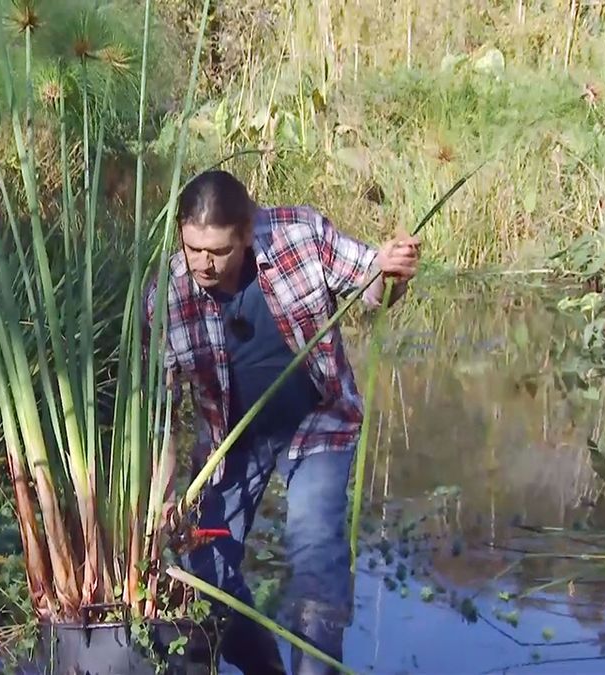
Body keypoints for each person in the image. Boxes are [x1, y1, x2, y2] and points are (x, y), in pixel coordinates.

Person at [145, 170, 420, 674]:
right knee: (205, 573)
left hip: (318, 424)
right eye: (192, 249)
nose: (204, 264)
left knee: (316, 563)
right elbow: (163, 412)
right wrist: (164, 493)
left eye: (219, 252)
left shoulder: (299, 234)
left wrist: (390, 270)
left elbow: (372, 289)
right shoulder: (166, 295)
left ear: (247, 231)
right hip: (231, 441)